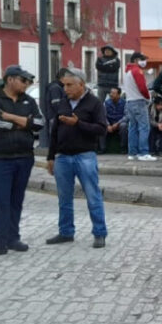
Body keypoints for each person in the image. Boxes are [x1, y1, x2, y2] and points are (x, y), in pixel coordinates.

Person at [0, 65, 43, 260]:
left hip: (24, 157)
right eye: (23, 80)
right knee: (1, 201)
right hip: (0, 159)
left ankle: (12, 237)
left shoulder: (29, 100)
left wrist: (11, 117)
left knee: (17, 200)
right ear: (10, 80)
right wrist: (24, 123)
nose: (26, 84)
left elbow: (40, 123)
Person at [45, 68, 109, 248]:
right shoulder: (63, 103)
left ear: (81, 84)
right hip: (63, 157)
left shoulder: (94, 103)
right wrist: (51, 156)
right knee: (64, 198)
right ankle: (66, 232)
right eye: (64, 85)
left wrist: (78, 124)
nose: (65, 89)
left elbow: (101, 129)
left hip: (85, 156)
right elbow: (54, 131)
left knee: (92, 196)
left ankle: (99, 233)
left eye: (69, 85)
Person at [121, 52, 156, 162]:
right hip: (139, 102)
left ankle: (132, 153)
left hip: (129, 102)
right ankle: (144, 153)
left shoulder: (127, 71)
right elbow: (142, 88)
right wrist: (148, 97)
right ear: (136, 60)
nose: (144, 62)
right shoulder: (137, 71)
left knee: (132, 128)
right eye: (142, 59)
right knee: (144, 128)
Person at [103, 87, 129, 154]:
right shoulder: (106, 103)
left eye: (113, 93)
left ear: (118, 95)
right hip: (109, 122)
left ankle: (123, 148)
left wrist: (117, 123)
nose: (111, 94)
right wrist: (108, 125)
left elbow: (126, 116)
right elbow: (103, 116)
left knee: (124, 125)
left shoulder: (124, 103)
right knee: (102, 125)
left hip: (119, 122)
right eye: (111, 93)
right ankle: (102, 148)